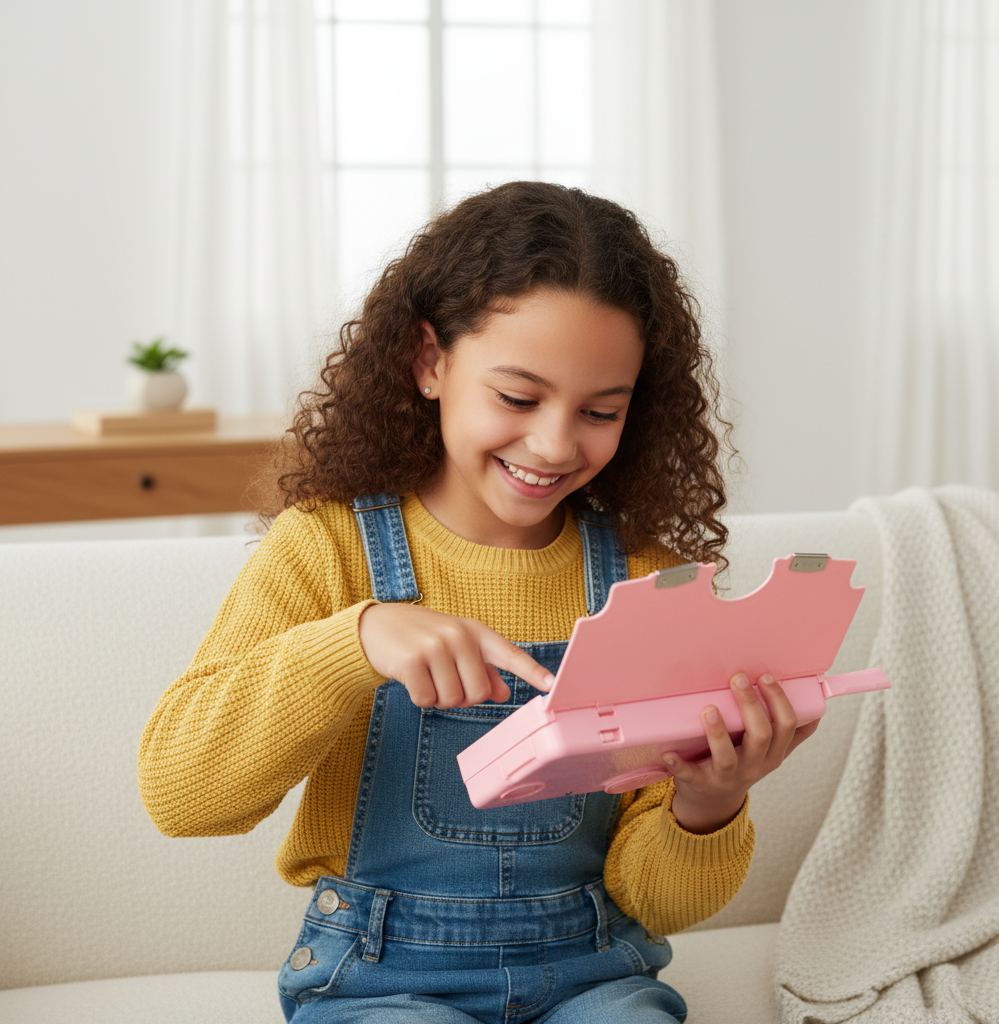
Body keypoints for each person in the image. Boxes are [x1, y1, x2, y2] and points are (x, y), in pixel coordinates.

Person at [138, 181, 819, 1024]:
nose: (554, 444)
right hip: (383, 981)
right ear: (430, 361)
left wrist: (708, 803)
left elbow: (657, 903)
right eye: (518, 398)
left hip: (593, 975)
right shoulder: (328, 548)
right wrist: (355, 642)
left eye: (600, 410)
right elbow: (182, 797)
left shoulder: (648, 576)